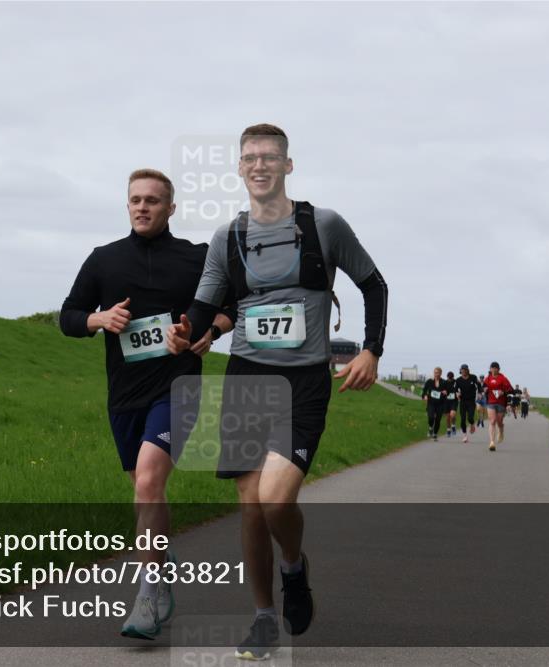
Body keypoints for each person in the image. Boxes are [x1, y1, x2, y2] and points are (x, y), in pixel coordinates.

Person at [166, 124, 388, 660]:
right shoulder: (228, 237)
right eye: (249, 158)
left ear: (288, 166)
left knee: (275, 498)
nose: (259, 166)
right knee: (249, 507)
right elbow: (204, 305)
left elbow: (373, 284)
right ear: (240, 169)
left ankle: (294, 567)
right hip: (245, 377)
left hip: (304, 380)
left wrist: (370, 350)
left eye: (269, 157)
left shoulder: (323, 225)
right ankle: (264, 619)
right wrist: (184, 331)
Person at [60, 169, 235, 639]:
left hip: (178, 388)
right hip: (124, 394)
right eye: (136, 200)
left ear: (170, 208)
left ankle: (150, 593)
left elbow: (231, 306)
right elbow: (68, 316)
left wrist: (210, 333)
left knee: (150, 479)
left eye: (153, 201)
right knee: (143, 490)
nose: (143, 207)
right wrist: (100, 318)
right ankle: (158, 558)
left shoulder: (197, 258)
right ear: (127, 205)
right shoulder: (104, 260)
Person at [482, 361, 514, 451]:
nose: (494, 369)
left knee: (499, 422)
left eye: (496, 368)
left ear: (498, 369)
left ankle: (501, 430)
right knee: (492, 421)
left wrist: (503, 392)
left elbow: (511, 390)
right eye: (492, 368)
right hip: (491, 402)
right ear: (490, 369)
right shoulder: (487, 379)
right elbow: (483, 388)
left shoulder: (503, 378)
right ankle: (492, 442)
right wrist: (484, 389)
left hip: (501, 403)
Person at [455, 364, 480, 443]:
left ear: (468, 370)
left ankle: (472, 424)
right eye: (463, 369)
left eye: (465, 369)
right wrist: (457, 394)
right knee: (462, 419)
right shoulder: (458, 380)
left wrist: (480, 393)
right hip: (462, 401)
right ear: (460, 370)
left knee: (470, 418)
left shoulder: (473, 377)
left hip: (471, 401)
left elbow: (479, 385)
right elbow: (455, 389)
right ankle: (465, 436)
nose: (464, 371)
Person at [422, 367, 447, 441]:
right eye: (435, 372)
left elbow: (447, 392)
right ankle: (430, 428)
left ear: (440, 373)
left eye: (438, 373)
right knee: (431, 417)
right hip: (431, 403)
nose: (436, 374)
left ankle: (435, 434)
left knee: (438, 420)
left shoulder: (444, 382)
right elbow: (424, 391)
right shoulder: (429, 381)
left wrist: (445, 392)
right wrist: (425, 396)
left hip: (440, 404)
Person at [443, 371, 459, 437]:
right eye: (449, 379)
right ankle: (448, 430)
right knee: (447, 417)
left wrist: (458, 393)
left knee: (452, 414)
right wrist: (444, 391)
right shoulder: (444, 382)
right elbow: (442, 390)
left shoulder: (456, 382)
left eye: (451, 379)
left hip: (454, 401)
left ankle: (453, 425)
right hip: (446, 401)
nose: (450, 380)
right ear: (447, 377)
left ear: (453, 377)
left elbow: (459, 389)